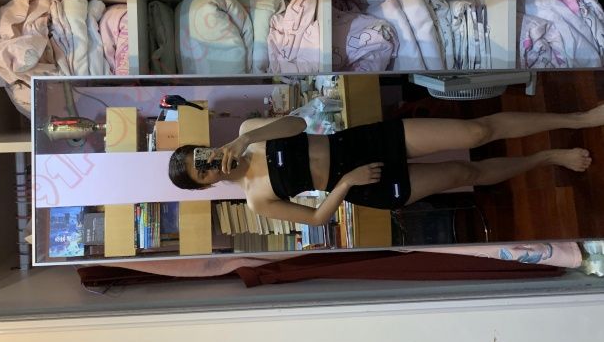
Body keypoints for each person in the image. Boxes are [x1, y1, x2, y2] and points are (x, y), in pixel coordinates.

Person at [168, 106, 602, 226]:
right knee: (464, 175)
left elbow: (298, 124)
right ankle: (547, 158)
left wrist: (247, 139)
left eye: (200, 157)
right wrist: (346, 184)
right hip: (364, 184)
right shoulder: (255, 200)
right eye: (202, 172)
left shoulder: (248, 130)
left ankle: (578, 119)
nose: (209, 165)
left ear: (204, 148)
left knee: (475, 133)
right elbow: (317, 218)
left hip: (362, 142)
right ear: (206, 185)